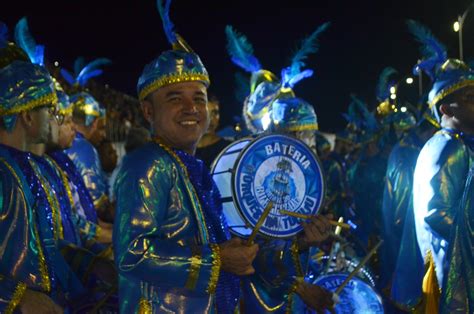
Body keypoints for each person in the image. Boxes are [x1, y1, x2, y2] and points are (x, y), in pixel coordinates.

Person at [113, 1, 258, 312]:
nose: (191, 108)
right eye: (175, 98)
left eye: (199, 98)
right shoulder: (148, 163)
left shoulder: (191, 167)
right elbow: (133, 253)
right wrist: (218, 260)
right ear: (148, 111)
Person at [226, 23, 336, 313]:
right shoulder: (249, 172)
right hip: (256, 298)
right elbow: (256, 251)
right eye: (294, 135)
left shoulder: (305, 176)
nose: (302, 144)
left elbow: (291, 241)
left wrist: (310, 238)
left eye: (308, 135)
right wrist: (299, 288)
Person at [0, 60, 65, 313]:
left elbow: (45, 247)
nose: (53, 118)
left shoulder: (30, 168)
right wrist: (19, 298)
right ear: (27, 115)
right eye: (49, 109)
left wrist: (90, 262)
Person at [413, 58, 474, 312]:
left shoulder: (451, 143)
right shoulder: (451, 148)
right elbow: (436, 213)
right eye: (470, 97)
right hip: (454, 279)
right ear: (446, 109)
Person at [66, 92, 113, 222]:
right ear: (94, 123)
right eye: (102, 128)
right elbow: (97, 207)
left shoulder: (60, 146)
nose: (103, 135)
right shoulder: (85, 148)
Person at [196, 95, 232, 168]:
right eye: (205, 113)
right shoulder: (181, 151)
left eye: (214, 113)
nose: (211, 119)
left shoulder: (229, 149)